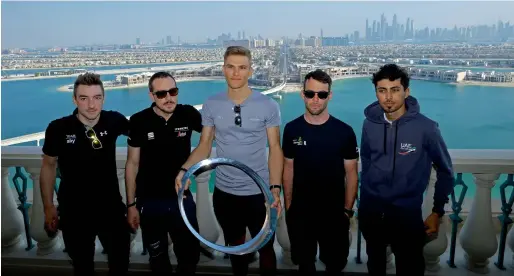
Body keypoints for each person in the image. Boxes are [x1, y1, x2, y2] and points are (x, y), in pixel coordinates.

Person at [175, 46, 283, 276]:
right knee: (236, 249)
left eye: (242, 68)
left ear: (250, 71)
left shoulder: (268, 105)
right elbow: (204, 144)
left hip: (259, 193)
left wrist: (274, 188)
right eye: (231, 67)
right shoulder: (212, 104)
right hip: (226, 193)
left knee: (265, 249)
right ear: (223, 69)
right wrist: (185, 171)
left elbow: (275, 149)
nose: (236, 73)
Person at [358, 64, 454, 276]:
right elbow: (366, 161)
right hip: (371, 212)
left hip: (406, 215)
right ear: (376, 93)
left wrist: (437, 211)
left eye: (395, 90)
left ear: (406, 91)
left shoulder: (426, 128)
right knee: (375, 266)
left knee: (410, 268)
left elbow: (446, 171)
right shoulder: (369, 124)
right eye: (382, 91)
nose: (388, 97)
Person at [40, 73, 131, 276]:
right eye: (84, 98)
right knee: (82, 267)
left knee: (120, 263)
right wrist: (48, 206)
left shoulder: (114, 120)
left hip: (111, 209)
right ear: (74, 99)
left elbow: (144, 132)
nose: (91, 105)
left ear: (103, 98)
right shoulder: (58, 128)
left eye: (97, 97)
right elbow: (48, 166)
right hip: (74, 212)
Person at [282, 69, 359, 275]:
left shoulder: (345, 132)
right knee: (305, 266)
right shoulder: (291, 129)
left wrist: (347, 210)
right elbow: (288, 168)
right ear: (303, 94)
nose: (315, 100)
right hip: (301, 214)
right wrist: (289, 207)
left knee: (335, 266)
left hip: (334, 215)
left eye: (322, 94)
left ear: (329, 96)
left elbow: (352, 173)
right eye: (310, 94)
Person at [125, 71, 203, 275]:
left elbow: (210, 139)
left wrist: (186, 168)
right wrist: (131, 205)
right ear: (152, 96)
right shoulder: (139, 121)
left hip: (181, 198)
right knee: (158, 259)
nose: (168, 98)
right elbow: (132, 163)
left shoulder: (188, 114)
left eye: (173, 91)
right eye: (161, 94)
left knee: (189, 256)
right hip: (149, 202)